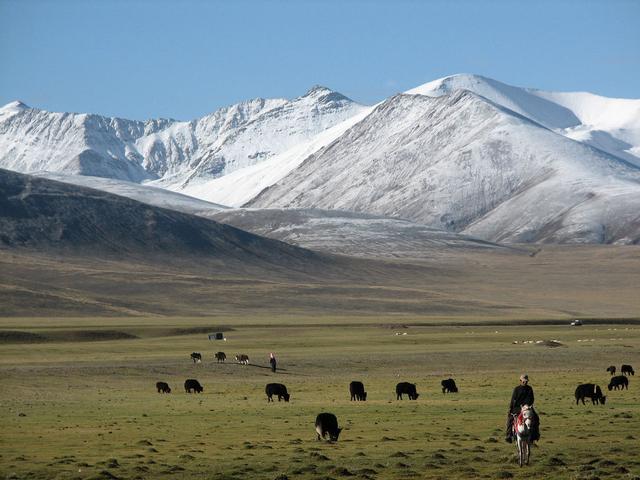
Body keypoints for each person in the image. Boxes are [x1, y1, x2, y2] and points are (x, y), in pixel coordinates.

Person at [505, 374, 540, 443]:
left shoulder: (529, 388)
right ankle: (509, 435)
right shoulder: (516, 389)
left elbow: (532, 399)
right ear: (520, 381)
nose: (525, 382)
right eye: (523, 381)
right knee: (510, 418)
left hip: (527, 407)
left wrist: (527, 405)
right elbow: (513, 399)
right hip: (518, 407)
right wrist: (511, 408)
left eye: (526, 381)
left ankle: (535, 435)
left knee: (536, 417)